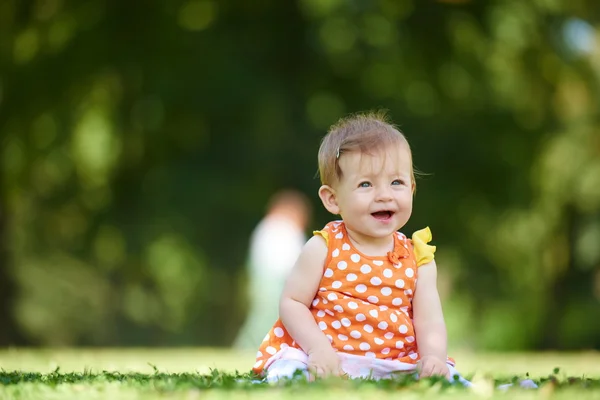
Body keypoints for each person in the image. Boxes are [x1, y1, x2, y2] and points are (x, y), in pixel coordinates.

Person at [251, 111, 471, 384]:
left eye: (396, 182)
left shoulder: (418, 257)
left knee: (445, 377)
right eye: (366, 184)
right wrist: (317, 348)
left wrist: (433, 357)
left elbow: (429, 321)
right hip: (323, 354)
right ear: (332, 199)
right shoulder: (324, 246)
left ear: (412, 189)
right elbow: (293, 302)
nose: (384, 194)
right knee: (289, 370)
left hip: (391, 361)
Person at [234, 190, 311, 350]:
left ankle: (258, 346)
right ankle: (246, 347)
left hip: (266, 278)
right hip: (274, 280)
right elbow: (294, 258)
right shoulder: (282, 228)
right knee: (264, 316)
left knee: (265, 315)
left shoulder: (268, 226)